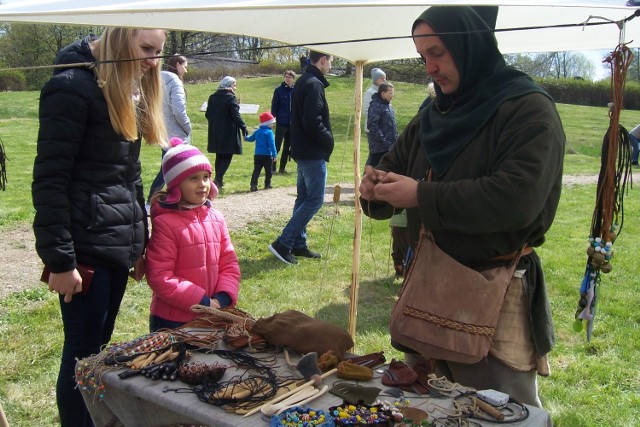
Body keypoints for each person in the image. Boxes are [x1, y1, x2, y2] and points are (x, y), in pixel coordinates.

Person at [359, 6, 565, 408]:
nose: (430, 67)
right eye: (423, 57)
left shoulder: (527, 109)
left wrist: (421, 195)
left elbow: (516, 198)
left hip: (493, 291)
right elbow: (393, 168)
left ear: (469, 46)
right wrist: (375, 189)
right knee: (424, 406)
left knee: (499, 411)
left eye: (437, 52)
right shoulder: (432, 115)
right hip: (427, 288)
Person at [32, 27, 167, 426]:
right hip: (83, 247)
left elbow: (130, 176)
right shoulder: (69, 88)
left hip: (115, 245)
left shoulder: (127, 87)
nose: (152, 61)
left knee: (98, 350)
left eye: (159, 51)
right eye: (146, 48)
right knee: (82, 353)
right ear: (119, 39)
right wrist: (59, 260)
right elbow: (50, 180)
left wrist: (138, 244)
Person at [145, 138, 240, 331]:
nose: (202, 184)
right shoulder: (166, 223)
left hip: (213, 314)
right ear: (175, 184)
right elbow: (160, 275)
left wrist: (222, 297)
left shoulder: (216, 218)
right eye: (193, 178)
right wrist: (201, 301)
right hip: (172, 320)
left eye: (206, 177)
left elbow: (228, 263)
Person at [269, 50, 334, 265]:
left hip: (303, 149)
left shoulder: (304, 81)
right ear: (323, 60)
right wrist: (328, 140)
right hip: (311, 151)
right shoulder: (313, 83)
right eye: (330, 61)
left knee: (303, 198)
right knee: (314, 199)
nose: (331, 65)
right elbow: (311, 121)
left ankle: (298, 243)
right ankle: (283, 242)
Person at [147, 54, 192, 203]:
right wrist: (187, 127)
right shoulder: (174, 80)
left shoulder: (157, 77)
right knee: (178, 167)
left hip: (162, 129)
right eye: (185, 66)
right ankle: (156, 200)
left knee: (167, 166)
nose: (186, 70)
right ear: (178, 65)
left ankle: (159, 199)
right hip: (176, 133)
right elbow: (178, 110)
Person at [205, 76, 248, 189]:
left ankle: (219, 180)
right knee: (227, 155)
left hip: (215, 130)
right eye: (234, 84)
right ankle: (218, 179)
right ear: (229, 85)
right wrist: (243, 127)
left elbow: (207, 114)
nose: (235, 87)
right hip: (228, 130)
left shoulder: (213, 97)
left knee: (219, 155)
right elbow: (235, 116)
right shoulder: (230, 98)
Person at [366, 81, 398, 167]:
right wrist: (382, 140)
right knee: (374, 169)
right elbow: (372, 125)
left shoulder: (388, 106)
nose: (392, 95)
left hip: (389, 146)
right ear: (383, 93)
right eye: (390, 93)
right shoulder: (376, 106)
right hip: (379, 148)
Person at [245, 111, 278, 191]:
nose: (273, 124)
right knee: (268, 171)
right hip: (267, 155)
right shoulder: (269, 132)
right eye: (272, 123)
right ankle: (267, 184)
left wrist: (245, 137)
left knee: (256, 170)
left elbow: (251, 139)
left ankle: (253, 185)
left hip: (257, 154)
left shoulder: (257, 131)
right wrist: (274, 155)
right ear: (267, 123)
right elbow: (272, 145)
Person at [271, 70, 296, 174]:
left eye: (290, 77)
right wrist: (272, 120)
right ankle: (272, 168)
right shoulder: (278, 91)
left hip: (292, 123)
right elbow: (274, 107)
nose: (288, 79)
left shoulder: (296, 91)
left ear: (293, 79)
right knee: (276, 146)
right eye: (286, 77)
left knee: (287, 147)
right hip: (281, 122)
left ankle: (282, 168)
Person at [362, 67, 387, 132]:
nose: (384, 80)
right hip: (373, 128)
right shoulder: (370, 92)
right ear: (375, 80)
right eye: (382, 78)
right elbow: (367, 110)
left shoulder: (385, 92)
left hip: (384, 127)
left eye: (385, 78)